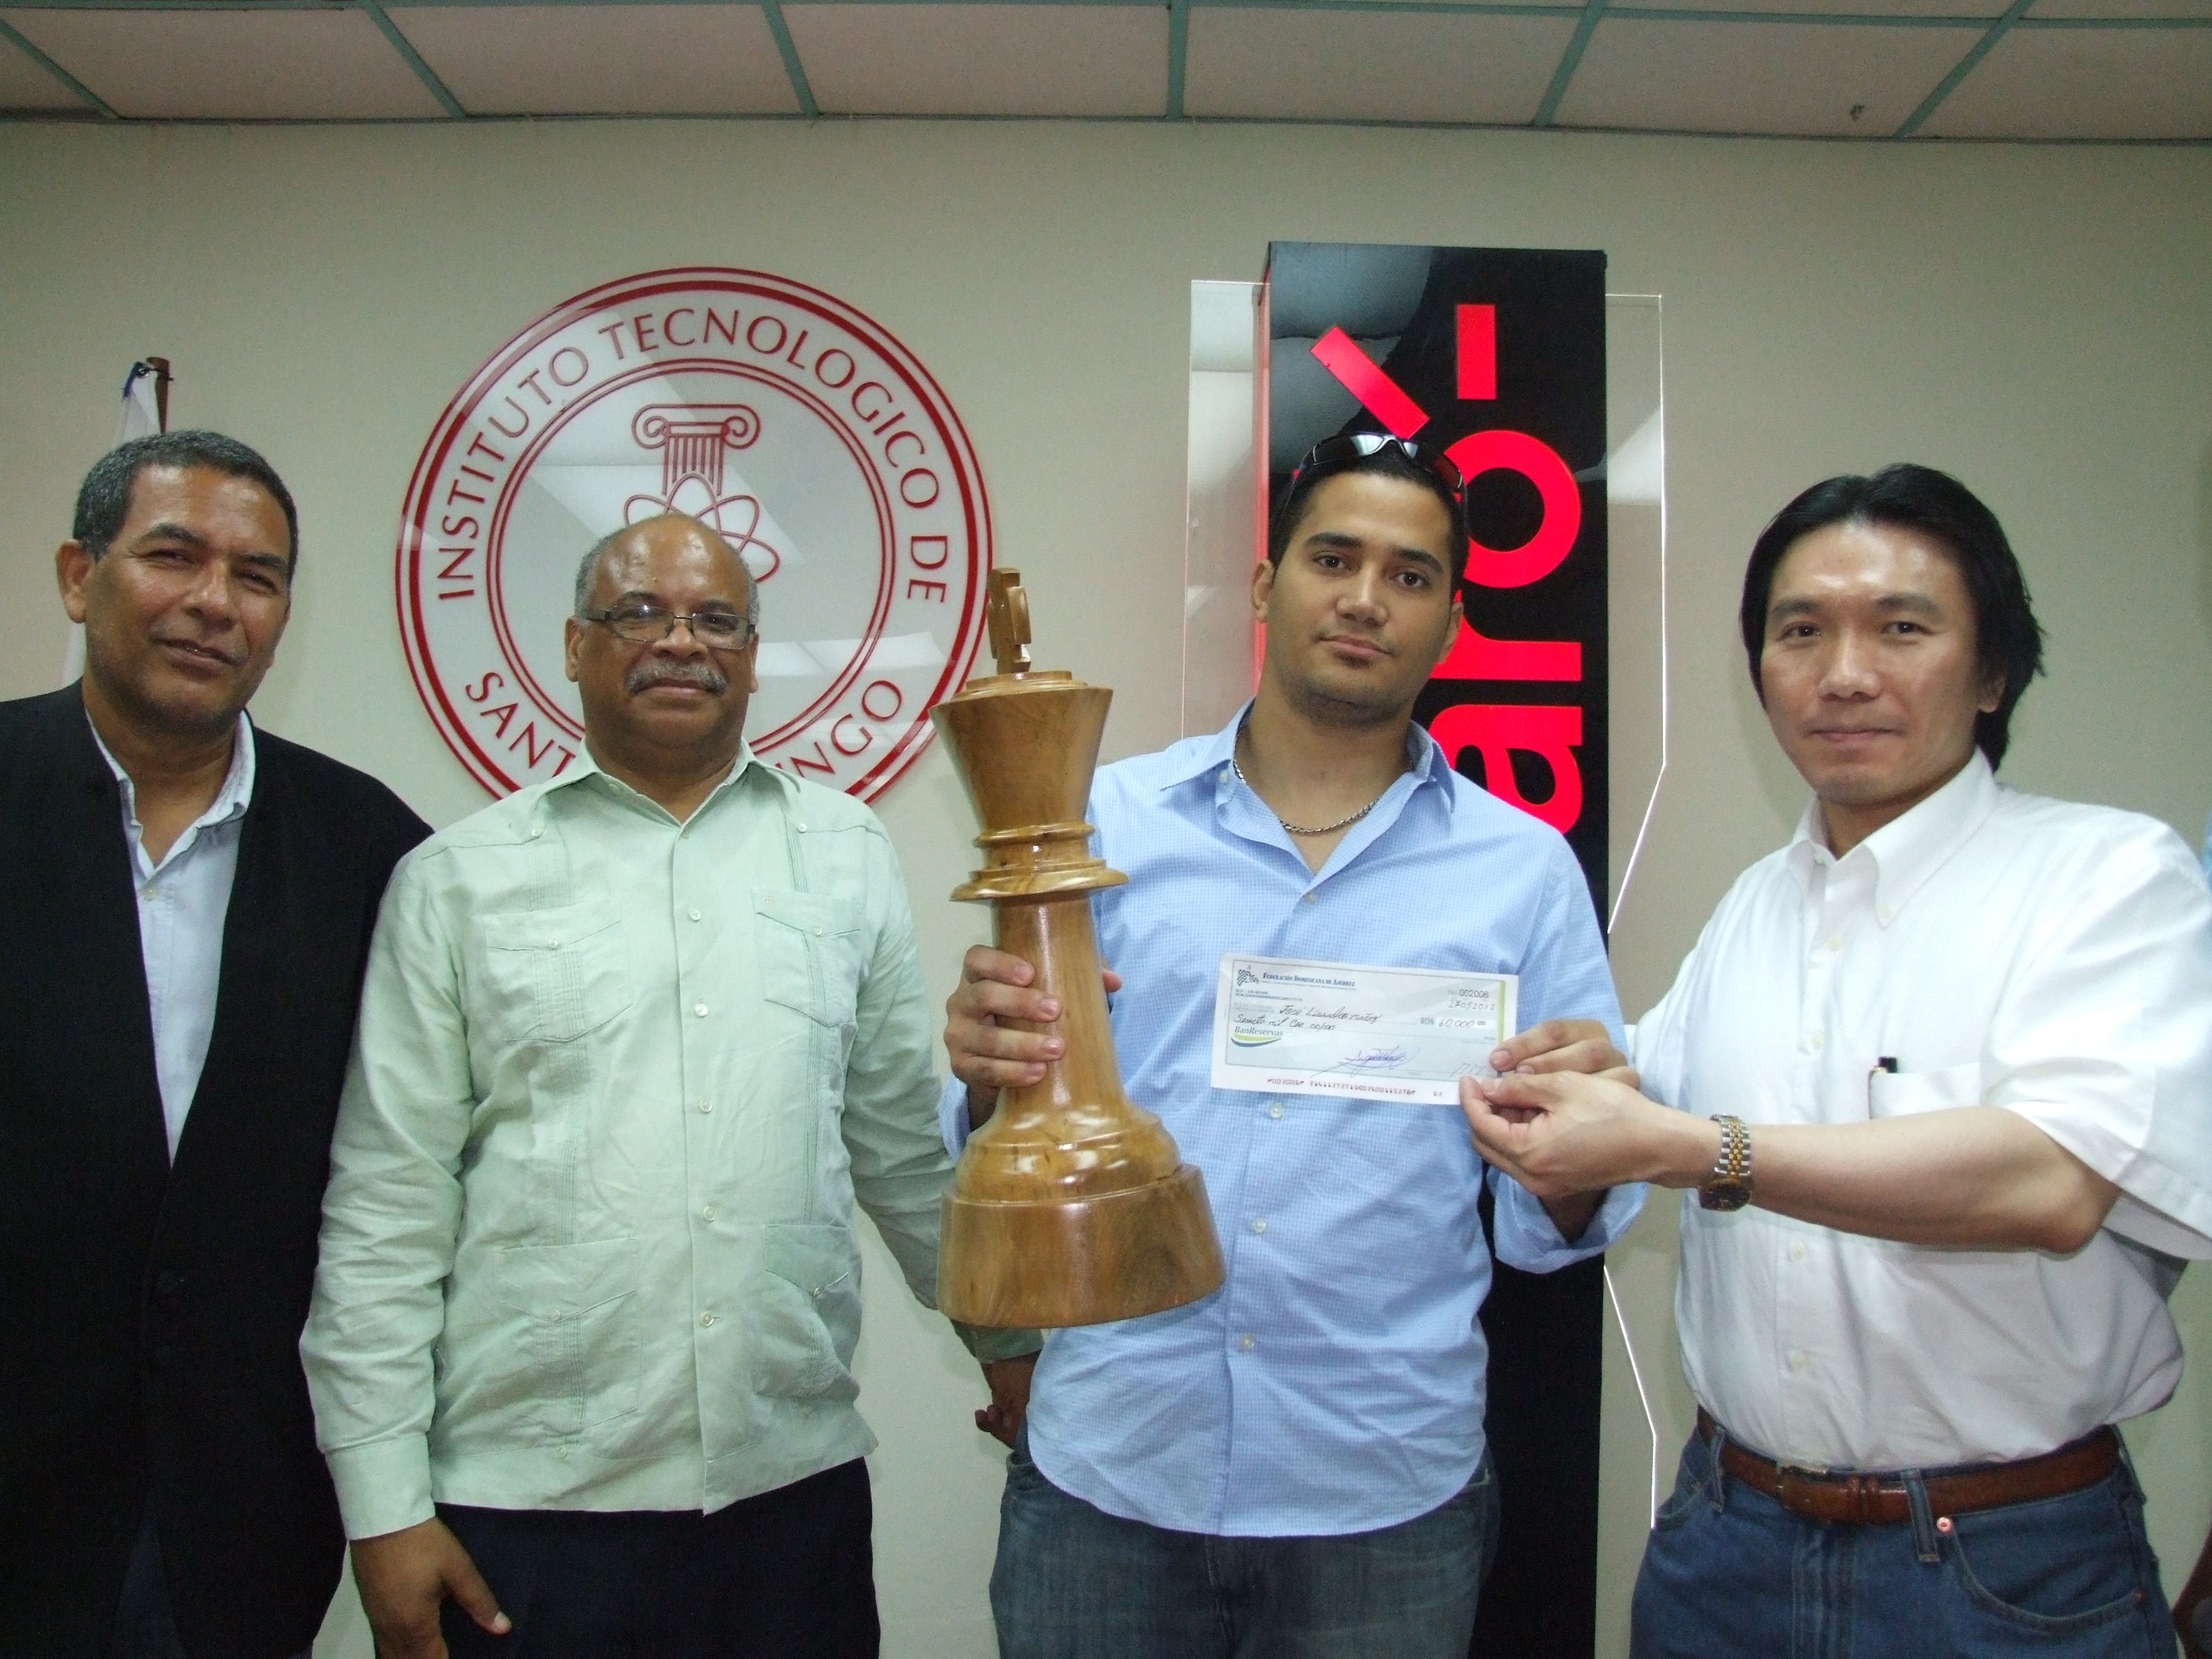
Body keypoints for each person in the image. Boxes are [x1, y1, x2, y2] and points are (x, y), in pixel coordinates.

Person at [1464, 464, 2212, 1658]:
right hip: (1728, 1540)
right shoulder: (1757, 904)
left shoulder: (2111, 878)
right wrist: (1576, 1108)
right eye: (1799, 632)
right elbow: (1629, 1131)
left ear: (1995, 670)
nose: (1845, 673)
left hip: (2004, 1568)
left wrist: (1685, 1145)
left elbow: (2054, 1183)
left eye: (1902, 628)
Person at [942, 433, 1644, 1658]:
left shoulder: (1524, 871)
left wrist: (1581, 1150)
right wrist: (984, 1068)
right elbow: (1006, 1131)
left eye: (1413, 576)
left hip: (1382, 1499)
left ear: (1455, 621)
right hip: (1113, 1478)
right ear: (1267, 588)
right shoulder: (1101, 818)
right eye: (1335, 558)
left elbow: (1561, 1225)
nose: (1368, 598)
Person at [301, 512, 1036, 1659]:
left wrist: (1013, 1347)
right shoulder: (456, 882)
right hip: (526, 1509)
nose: (678, 642)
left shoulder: (841, 852)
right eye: (638, 613)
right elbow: (386, 1211)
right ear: (574, 644)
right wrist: (383, 1506)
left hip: (788, 1494)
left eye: (716, 620)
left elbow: (899, 1152)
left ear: (751, 652)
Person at [0, 431, 431, 1659]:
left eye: (258, 575)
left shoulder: (372, 851)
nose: (213, 603)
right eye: (173, 556)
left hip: (237, 1519)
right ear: (79, 576)